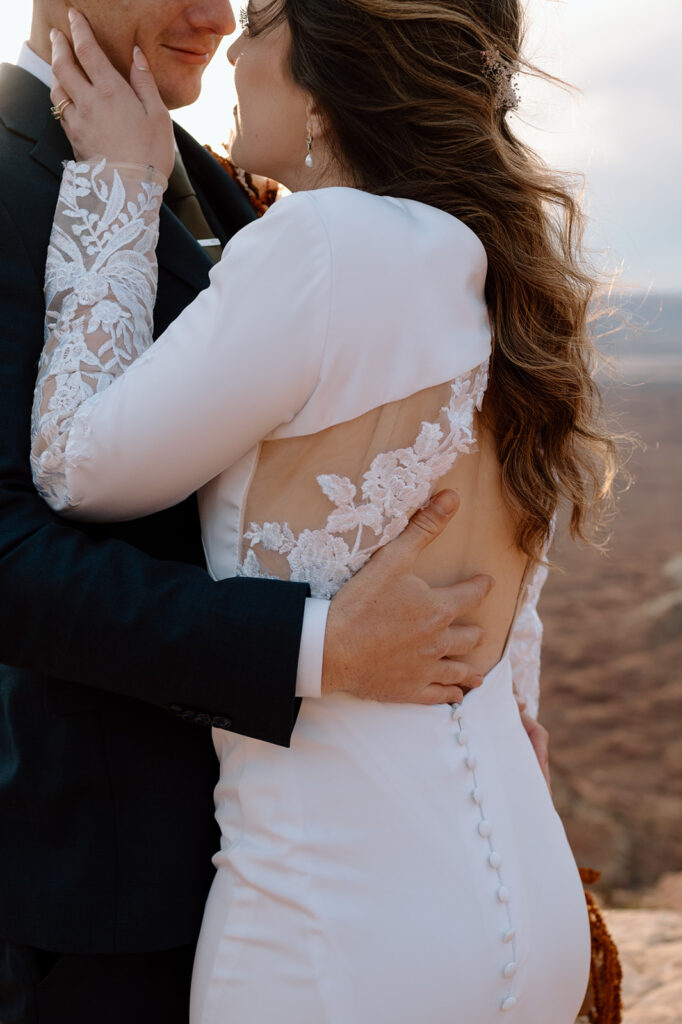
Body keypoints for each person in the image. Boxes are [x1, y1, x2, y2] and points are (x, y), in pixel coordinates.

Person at [32, 0, 593, 1019]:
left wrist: (116, 188)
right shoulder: (489, 263)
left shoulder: (327, 243)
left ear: (329, 78)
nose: (234, 50)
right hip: (524, 894)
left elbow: (78, 466)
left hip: (336, 919)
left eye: (260, 24)